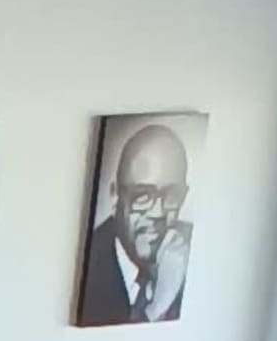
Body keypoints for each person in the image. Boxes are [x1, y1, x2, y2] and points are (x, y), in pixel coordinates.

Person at [78, 120, 192, 326]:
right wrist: (157, 306)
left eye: (172, 195)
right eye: (143, 196)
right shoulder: (87, 265)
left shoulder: (196, 252)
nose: (158, 212)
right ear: (115, 197)